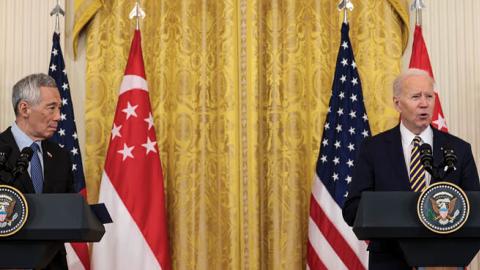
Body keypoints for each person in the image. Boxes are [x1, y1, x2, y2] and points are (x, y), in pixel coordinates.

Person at [342, 68, 480, 269]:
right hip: (390, 260)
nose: (424, 103)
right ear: (397, 103)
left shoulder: (459, 149)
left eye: (429, 96)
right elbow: (352, 210)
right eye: (416, 96)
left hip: (444, 261)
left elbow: (475, 208)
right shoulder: (373, 149)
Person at [0, 73, 73, 269]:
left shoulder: (61, 157)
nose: (58, 116)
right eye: (51, 108)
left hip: (53, 263)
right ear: (25, 108)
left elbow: (69, 209)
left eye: (59, 108)